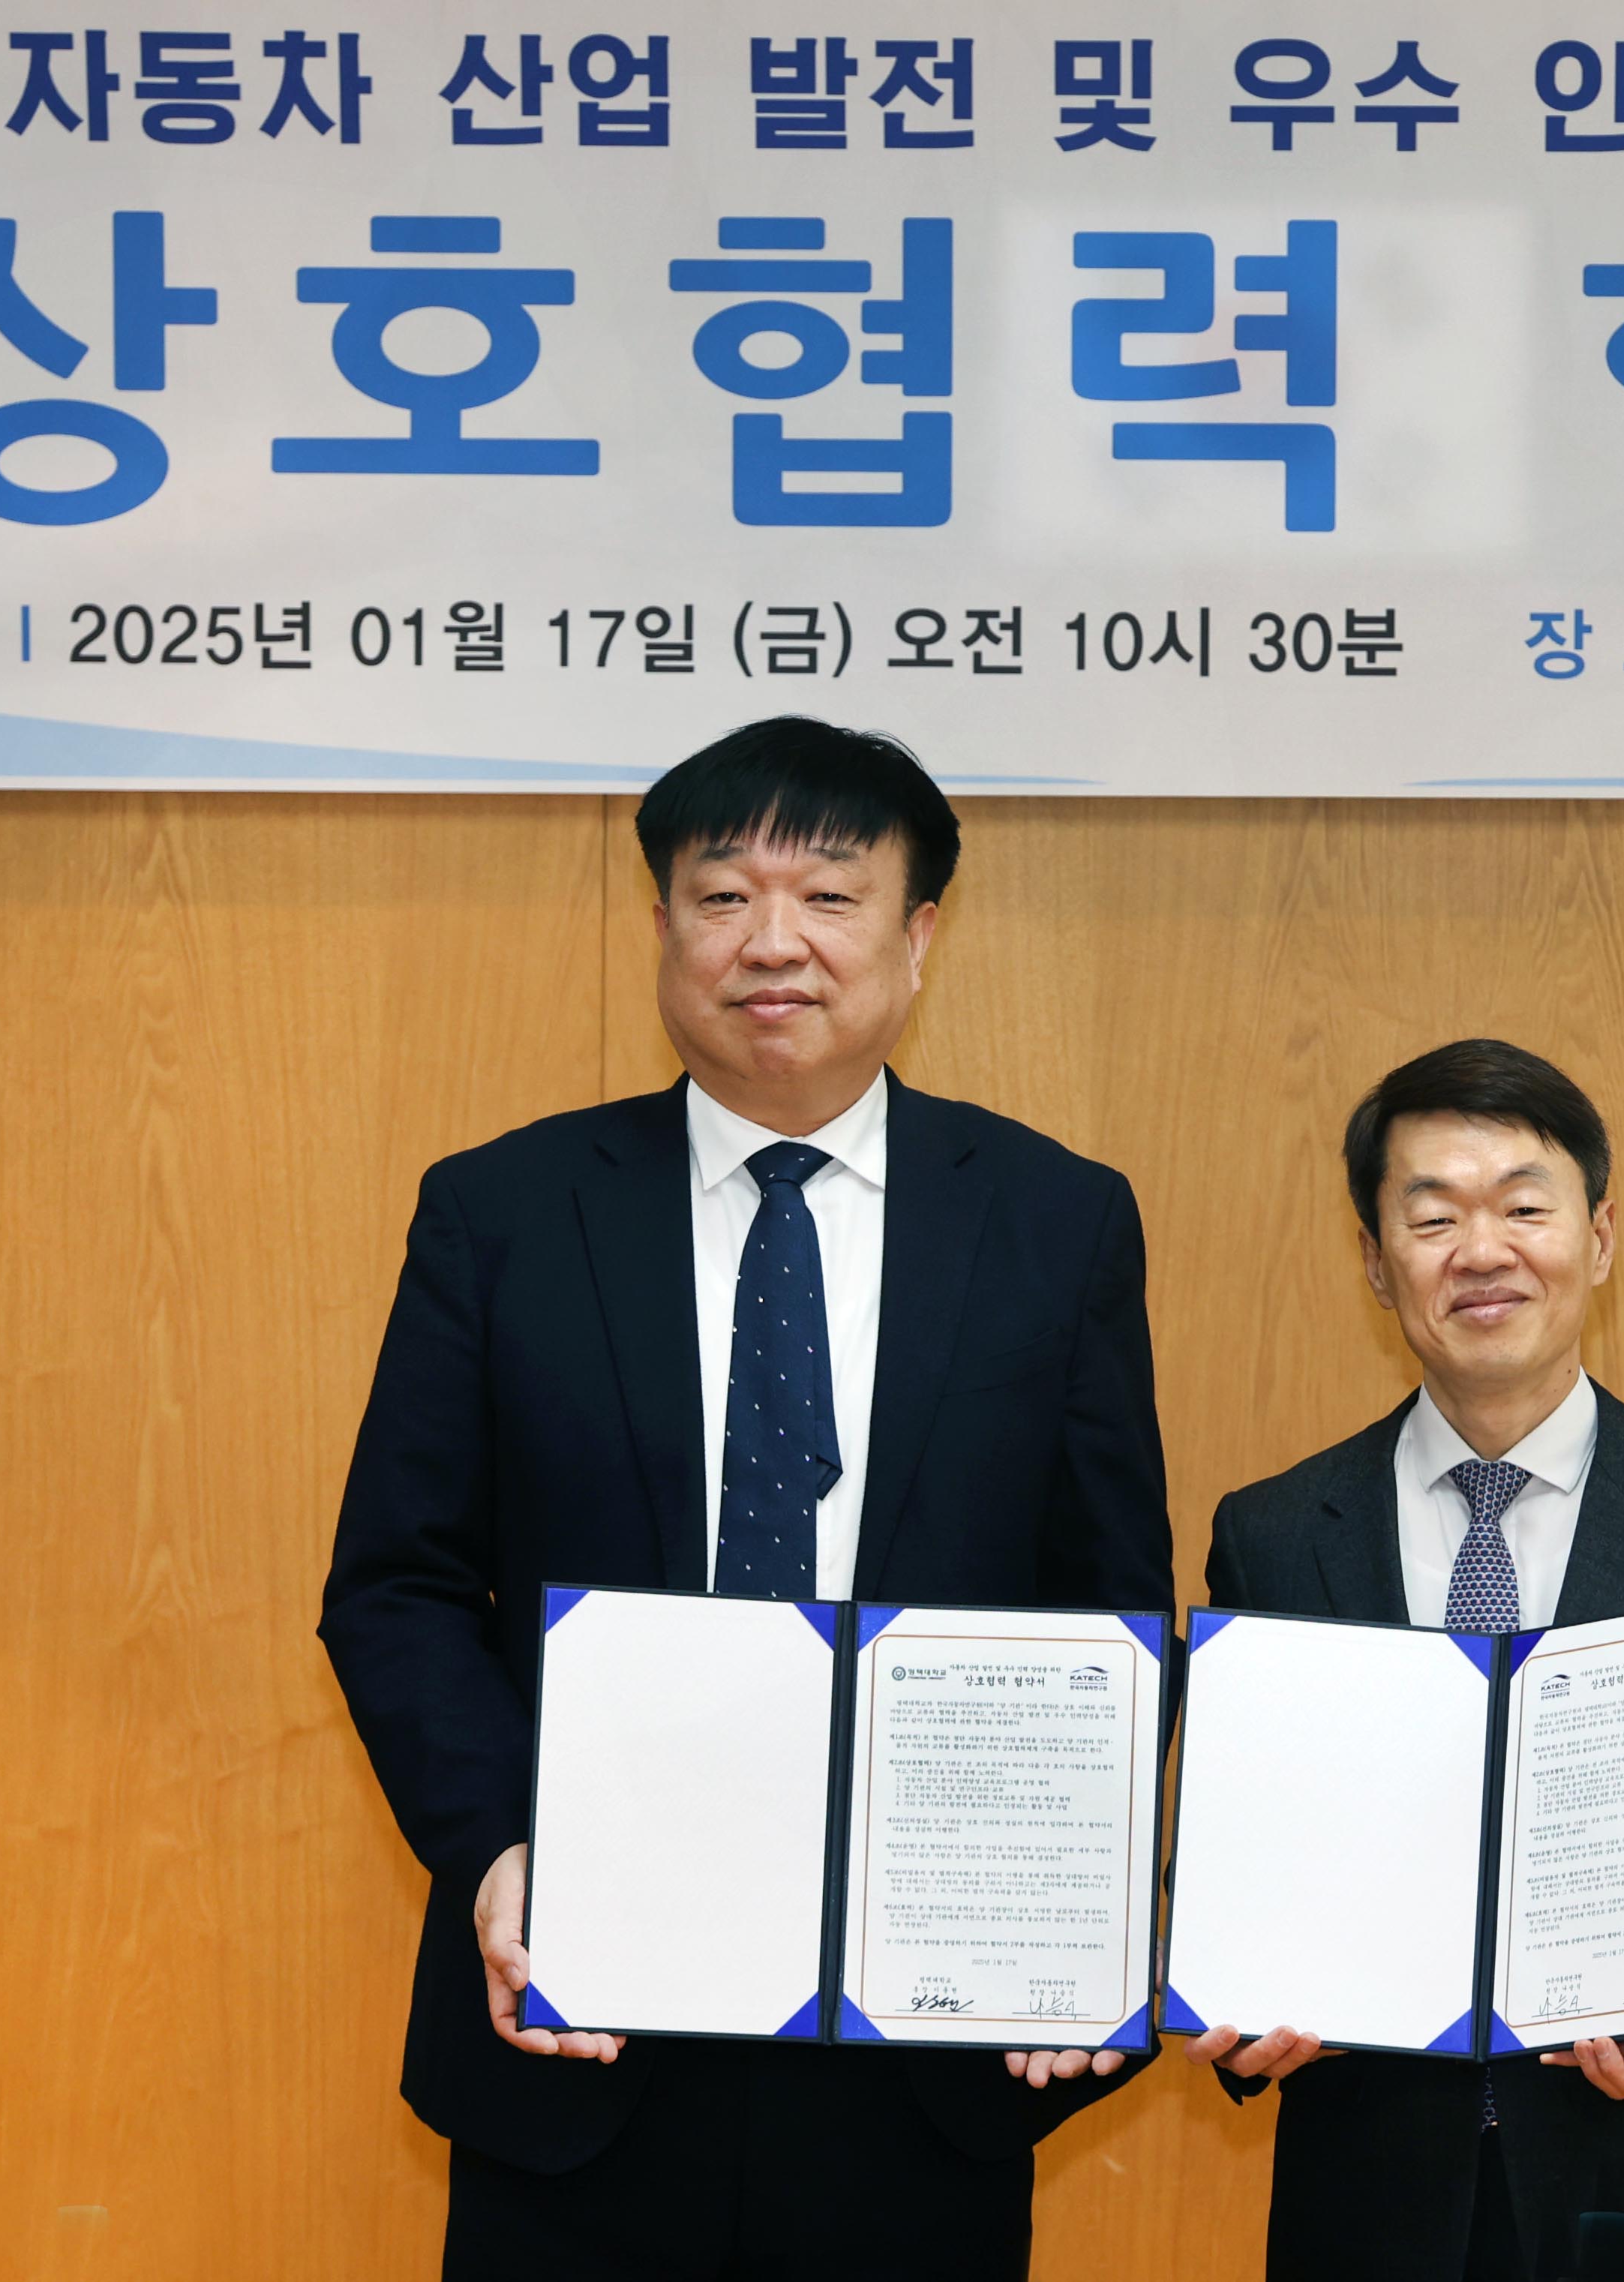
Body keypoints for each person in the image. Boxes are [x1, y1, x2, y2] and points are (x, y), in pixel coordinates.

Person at [320, 717, 1171, 2281]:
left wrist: (1066, 1921)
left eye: (830, 896)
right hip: (582, 2024)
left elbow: (1103, 1605)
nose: (772, 941)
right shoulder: (504, 1211)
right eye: (722, 895)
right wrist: (502, 1848)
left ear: (920, 935)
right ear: (661, 925)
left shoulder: (1055, 1222)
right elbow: (399, 1583)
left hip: (921, 2047)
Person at [1190, 1039, 1624, 2282]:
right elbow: (1237, 1848)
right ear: (1374, 1260)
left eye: (1522, 1206)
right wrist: (1231, 1999)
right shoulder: (1276, 1534)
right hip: (1369, 2201)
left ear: (1598, 1238)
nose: (1481, 1250)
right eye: (1432, 1216)